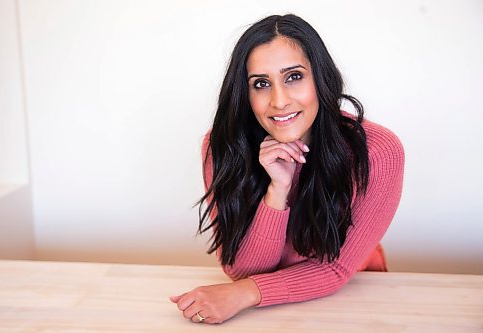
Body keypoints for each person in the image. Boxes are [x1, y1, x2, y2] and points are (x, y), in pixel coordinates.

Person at [170, 13, 404, 324]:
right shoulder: (223, 147)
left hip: (350, 300)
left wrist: (244, 294)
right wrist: (277, 190)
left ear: (320, 78)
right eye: (261, 83)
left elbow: (335, 269)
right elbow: (243, 270)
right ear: (245, 93)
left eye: (293, 76)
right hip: (265, 311)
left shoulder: (377, 151)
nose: (279, 101)